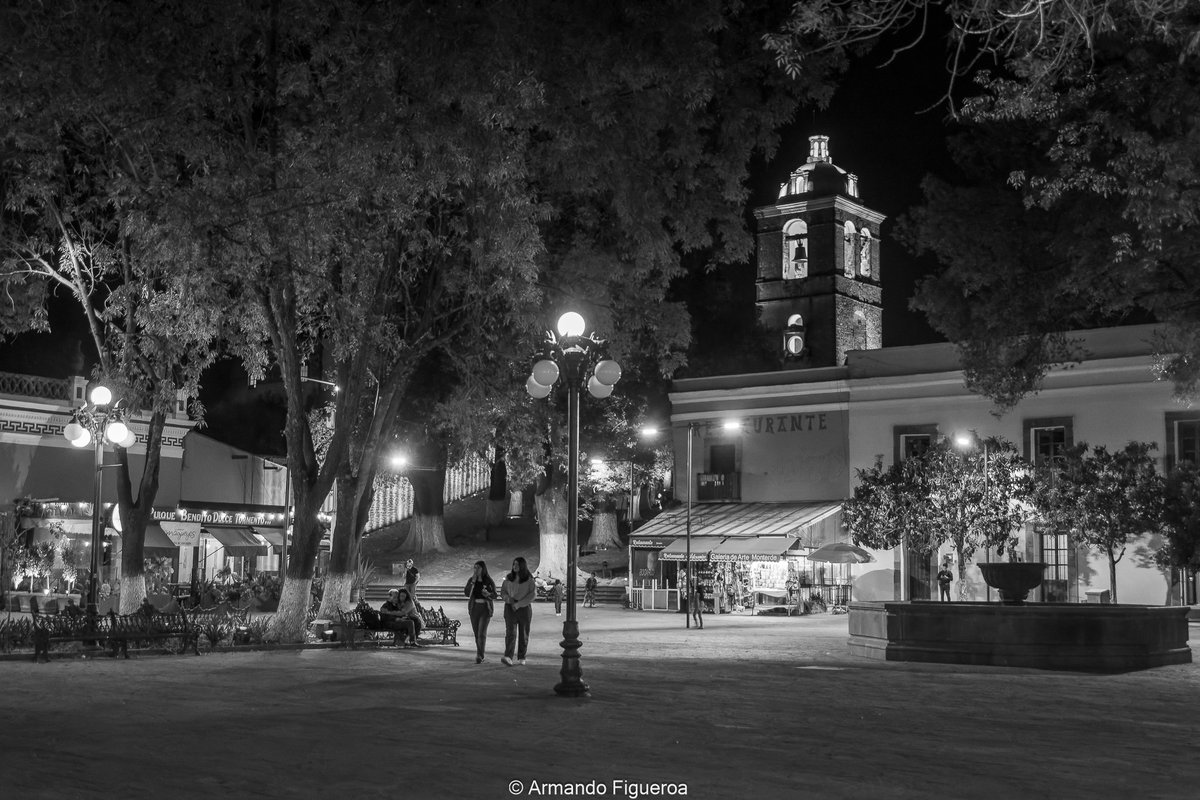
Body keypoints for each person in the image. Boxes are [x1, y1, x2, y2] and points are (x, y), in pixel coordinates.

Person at [501, 556, 535, 666]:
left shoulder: (529, 579)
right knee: (510, 632)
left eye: (517, 564)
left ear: (522, 566)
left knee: (524, 633)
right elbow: (503, 592)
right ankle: (508, 656)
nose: (514, 566)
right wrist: (508, 599)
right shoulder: (508, 578)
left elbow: (532, 595)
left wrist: (519, 604)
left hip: (524, 608)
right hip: (510, 607)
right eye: (513, 564)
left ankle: (521, 656)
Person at [464, 561, 497, 664]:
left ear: (483, 569)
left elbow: (495, 595)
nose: (476, 570)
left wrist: (488, 594)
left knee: (481, 633)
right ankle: (479, 652)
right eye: (475, 568)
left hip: (485, 609)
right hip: (474, 608)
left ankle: (480, 655)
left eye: (478, 568)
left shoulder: (488, 580)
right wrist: (472, 582)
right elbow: (466, 593)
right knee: (476, 633)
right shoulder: (472, 580)